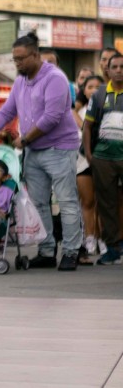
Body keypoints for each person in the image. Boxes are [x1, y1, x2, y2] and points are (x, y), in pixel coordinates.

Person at [0, 33, 82, 271]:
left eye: (21, 59)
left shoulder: (55, 78)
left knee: (66, 201)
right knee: (39, 203)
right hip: (34, 152)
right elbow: (6, 111)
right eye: (15, 59)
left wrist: (24, 139)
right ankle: (46, 252)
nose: (18, 64)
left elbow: (52, 118)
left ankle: (71, 251)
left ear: (35, 55)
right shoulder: (20, 81)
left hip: (60, 149)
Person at [83, 53, 123, 265]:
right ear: (107, 70)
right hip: (103, 159)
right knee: (106, 204)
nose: (118, 70)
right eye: (114, 67)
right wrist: (90, 155)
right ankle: (113, 248)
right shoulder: (98, 95)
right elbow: (87, 126)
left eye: (122, 66)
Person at [74, 75, 104, 262]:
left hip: (104, 161)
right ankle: (89, 238)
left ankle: (103, 239)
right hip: (82, 161)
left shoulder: (110, 110)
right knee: (87, 202)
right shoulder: (78, 112)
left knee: (103, 202)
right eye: (89, 86)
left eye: (97, 86)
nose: (93, 90)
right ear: (83, 91)